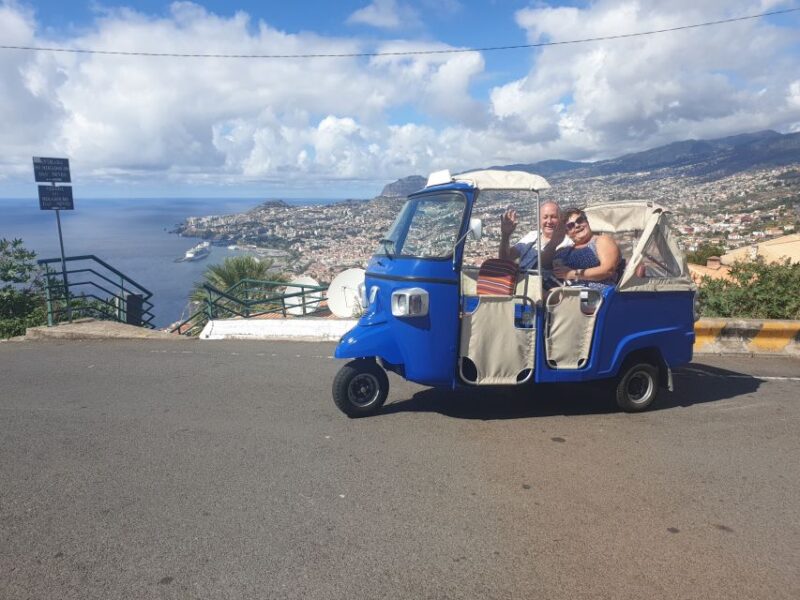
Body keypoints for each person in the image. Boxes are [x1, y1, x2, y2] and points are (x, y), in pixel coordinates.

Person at [552, 208, 620, 290]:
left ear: (587, 221)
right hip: (571, 296)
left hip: (599, 296)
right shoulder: (563, 251)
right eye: (571, 226)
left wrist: (571, 274)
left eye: (580, 220)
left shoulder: (602, 240)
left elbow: (608, 270)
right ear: (567, 233)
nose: (577, 225)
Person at [499, 201, 570, 271]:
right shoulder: (532, 236)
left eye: (554, 217)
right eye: (545, 217)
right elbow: (504, 259)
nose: (549, 221)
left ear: (561, 219)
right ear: (539, 220)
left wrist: (553, 244)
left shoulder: (567, 242)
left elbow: (543, 265)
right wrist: (505, 236)